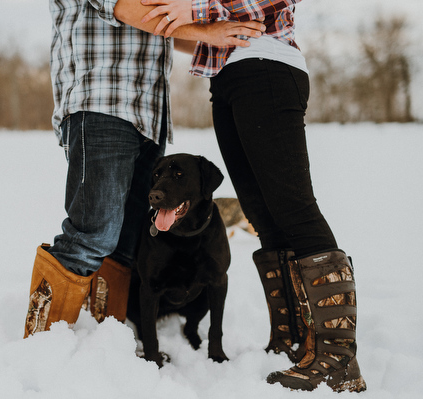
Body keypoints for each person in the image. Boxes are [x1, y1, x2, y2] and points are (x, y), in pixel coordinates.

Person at [133, 0, 367, 393]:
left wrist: (196, 9)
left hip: (268, 69)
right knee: (264, 216)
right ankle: (293, 340)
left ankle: (338, 360)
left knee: (295, 209)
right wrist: (187, 27)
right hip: (228, 78)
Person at [23, 0, 264, 337]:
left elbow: (164, 32)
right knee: (94, 234)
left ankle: (103, 340)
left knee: (127, 242)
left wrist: (226, 39)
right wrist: (205, 30)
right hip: (102, 101)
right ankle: (41, 342)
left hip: (149, 116)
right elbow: (128, 8)